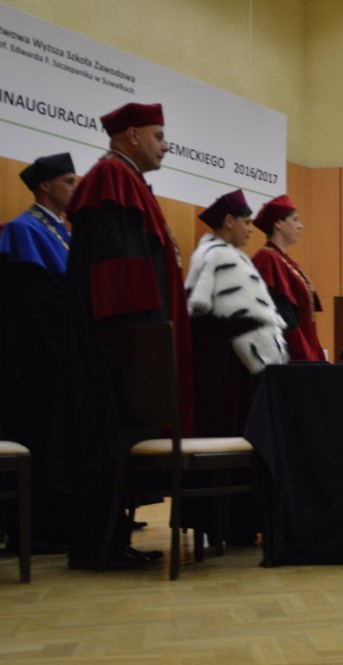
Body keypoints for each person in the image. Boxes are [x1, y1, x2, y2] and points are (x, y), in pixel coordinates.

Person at [62, 102, 190, 569]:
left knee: (119, 444)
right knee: (106, 443)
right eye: (158, 136)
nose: (166, 146)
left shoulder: (126, 178)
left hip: (129, 343)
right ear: (132, 135)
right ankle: (99, 548)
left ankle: (112, 541)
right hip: (120, 345)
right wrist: (145, 339)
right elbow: (122, 271)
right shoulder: (111, 178)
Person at [0, 153, 77, 553]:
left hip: (63, 355)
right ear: (45, 185)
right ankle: (30, 530)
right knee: (37, 438)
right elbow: (31, 305)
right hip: (34, 360)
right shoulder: (23, 230)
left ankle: (61, 524)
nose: (75, 188)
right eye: (69, 181)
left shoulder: (65, 231)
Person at [186, 189, 288, 437]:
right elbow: (246, 322)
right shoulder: (223, 257)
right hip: (231, 371)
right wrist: (269, 360)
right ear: (229, 221)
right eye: (247, 222)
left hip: (212, 366)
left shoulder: (206, 254)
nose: (251, 229)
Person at [251, 195, 326, 361]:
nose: (300, 225)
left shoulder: (285, 260)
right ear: (278, 223)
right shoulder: (266, 259)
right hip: (290, 355)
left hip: (303, 349)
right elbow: (284, 317)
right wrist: (305, 355)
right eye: (295, 220)